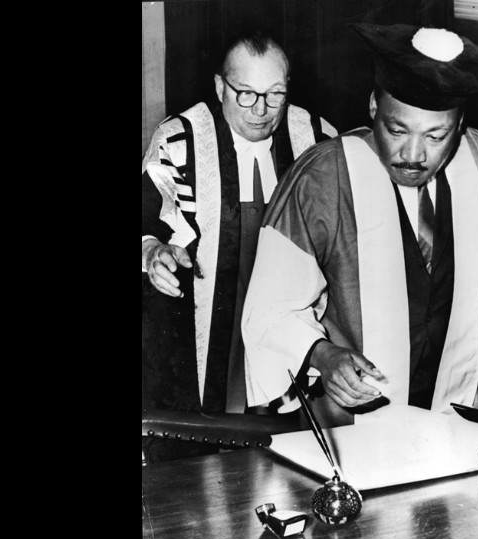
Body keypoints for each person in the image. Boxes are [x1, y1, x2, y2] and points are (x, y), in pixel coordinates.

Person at [241, 23, 478, 435]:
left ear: (459, 124)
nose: (413, 154)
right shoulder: (323, 176)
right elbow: (270, 307)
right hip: (348, 427)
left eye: (436, 135)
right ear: (374, 106)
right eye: (397, 130)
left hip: (458, 421)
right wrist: (321, 355)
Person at [142, 30, 337, 416]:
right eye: (245, 93)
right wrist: (153, 251)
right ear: (220, 87)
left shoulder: (317, 137)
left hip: (288, 319)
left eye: (275, 94)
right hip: (203, 321)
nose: (260, 110)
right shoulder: (179, 139)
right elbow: (149, 218)